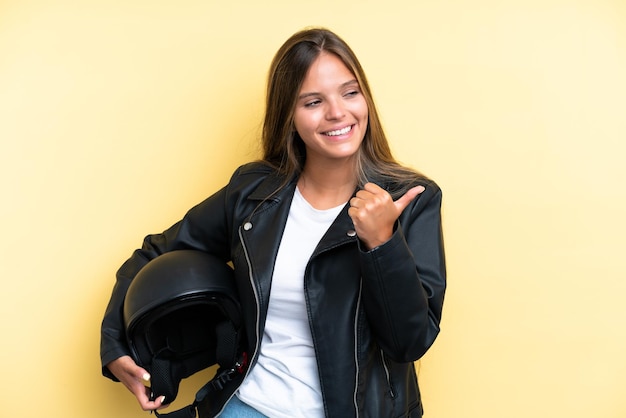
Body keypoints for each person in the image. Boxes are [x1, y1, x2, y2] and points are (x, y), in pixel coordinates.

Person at [101, 27, 446, 418]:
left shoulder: (412, 200)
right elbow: (155, 253)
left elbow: (410, 342)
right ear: (289, 116)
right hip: (250, 406)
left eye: (350, 93)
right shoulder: (253, 194)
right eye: (313, 101)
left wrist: (381, 244)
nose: (338, 112)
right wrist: (114, 346)